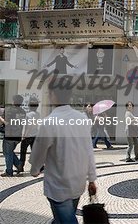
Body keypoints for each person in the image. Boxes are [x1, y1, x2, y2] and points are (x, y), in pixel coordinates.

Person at [29, 78, 97, 224]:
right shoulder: (82, 119)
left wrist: (35, 169)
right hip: (78, 183)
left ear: (53, 94)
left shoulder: (49, 122)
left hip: (58, 185)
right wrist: (92, 178)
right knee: (62, 219)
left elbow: (38, 151)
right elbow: (88, 151)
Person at [1, 95, 26, 177]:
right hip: (18, 135)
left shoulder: (10, 110)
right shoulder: (23, 111)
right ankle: (19, 165)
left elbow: (7, 123)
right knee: (9, 152)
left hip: (10, 135)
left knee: (7, 153)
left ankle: (9, 171)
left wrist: (0, 118)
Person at [20, 97, 40, 168]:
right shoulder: (37, 114)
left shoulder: (28, 115)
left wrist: (24, 135)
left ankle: (21, 166)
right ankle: (39, 166)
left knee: (23, 152)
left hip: (28, 136)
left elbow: (28, 126)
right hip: (35, 135)